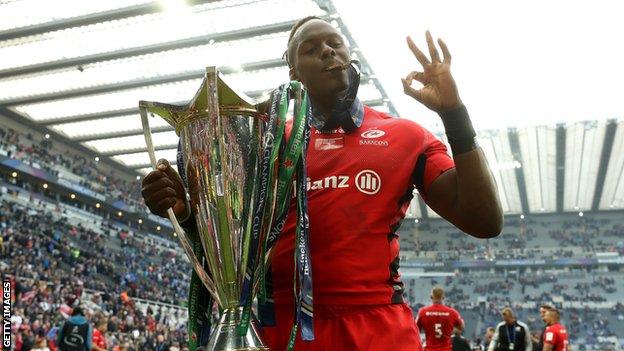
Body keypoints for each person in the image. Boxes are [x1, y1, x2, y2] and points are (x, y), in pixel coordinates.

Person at [141, 16, 502, 350]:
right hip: (283, 329)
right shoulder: (263, 143)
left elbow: (484, 220)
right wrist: (186, 212)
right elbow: (233, 238)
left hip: (377, 330)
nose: (328, 51)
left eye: (335, 43)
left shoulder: (405, 136)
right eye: (310, 49)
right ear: (293, 71)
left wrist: (453, 113)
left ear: (349, 55)